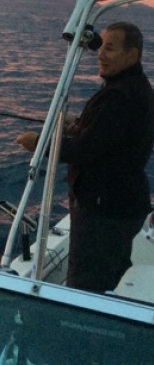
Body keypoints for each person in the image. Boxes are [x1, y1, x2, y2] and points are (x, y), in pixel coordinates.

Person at [18, 21, 154, 292]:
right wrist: (80, 125)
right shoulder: (136, 88)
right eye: (101, 46)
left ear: (132, 55)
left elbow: (84, 150)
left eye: (111, 48)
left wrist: (39, 145)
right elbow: (112, 137)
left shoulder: (118, 97)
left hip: (103, 209)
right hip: (124, 204)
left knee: (86, 285)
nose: (101, 54)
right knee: (113, 269)